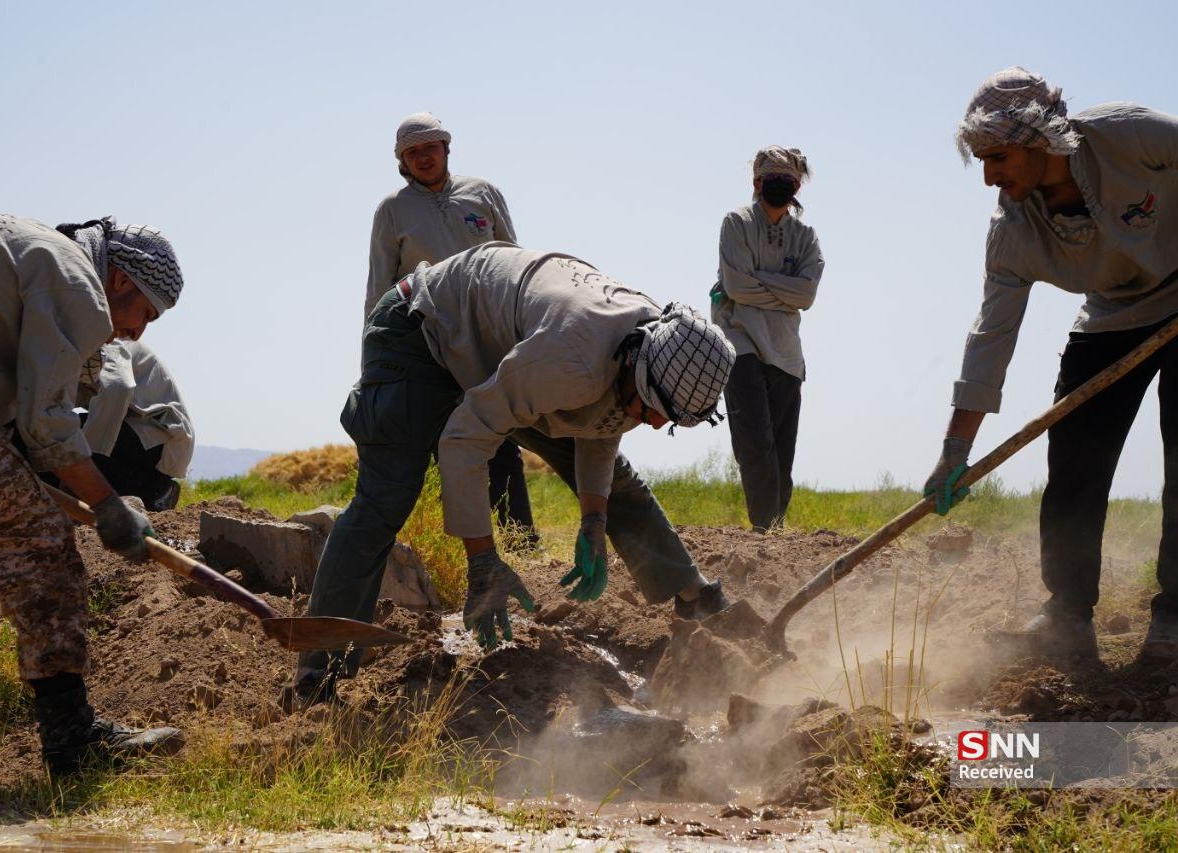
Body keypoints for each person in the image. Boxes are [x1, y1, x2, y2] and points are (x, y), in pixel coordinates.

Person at [294, 243, 737, 706]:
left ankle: (696, 598)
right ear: (634, 365)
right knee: (386, 499)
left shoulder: (651, 343)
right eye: (650, 409)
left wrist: (593, 520)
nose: (654, 422)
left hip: (501, 351)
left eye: (665, 417)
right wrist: (483, 562)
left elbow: (603, 427)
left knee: (616, 484)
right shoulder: (570, 360)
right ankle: (315, 674)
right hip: (422, 331)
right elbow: (465, 438)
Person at [0, 212, 186, 774]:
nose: (137, 331)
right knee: (45, 559)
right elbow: (47, 422)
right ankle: (74, 743)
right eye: (146, 312)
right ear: (121, 280)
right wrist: (108, 505)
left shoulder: (27, 250)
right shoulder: (74, 278)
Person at [924, 67, 1178, 662]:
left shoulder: (1130, 135)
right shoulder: (1012, 232)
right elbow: (991, 336)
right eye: (981, 161)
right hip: (1110, 317)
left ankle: (1174, 618)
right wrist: (955, 450)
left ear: (1039, 137)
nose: (989, 177)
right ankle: (1066, 615)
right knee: (1074, 461)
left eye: (998, 156)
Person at [367, 112, 537, 544]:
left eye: (431, 147)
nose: (424, 157)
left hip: (488, 335)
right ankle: (460, 544)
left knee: (499, 434)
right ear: (402, 161)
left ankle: (519, 538)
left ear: (446, 148)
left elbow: (514, 262)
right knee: (441, 439)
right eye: (413, 152)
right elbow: (379, 287)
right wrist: (374, 363)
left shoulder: (483, 194)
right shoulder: (392, 211)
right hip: (428, 339)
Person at [711, 146, 823, 532]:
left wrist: (757, 281)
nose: (778, 186)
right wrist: (782, 292)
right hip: (739, 343)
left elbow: (807, 296)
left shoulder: (805, 236)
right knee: (755, 443)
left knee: (781, 451)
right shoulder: (736, 223)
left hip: (787, 353)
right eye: (771, 180)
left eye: (787, 181)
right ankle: (764, 529)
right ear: (756, 183)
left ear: (797, 187)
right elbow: (737, 289)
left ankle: (774, 532)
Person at [80, 339, 195, 511]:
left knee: (76, 437)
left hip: (159, 434)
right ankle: (147, 493)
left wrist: (83, 463)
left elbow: (118, 387)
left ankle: (155, 490)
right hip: (134, 433)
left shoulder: (108, 340)